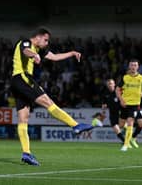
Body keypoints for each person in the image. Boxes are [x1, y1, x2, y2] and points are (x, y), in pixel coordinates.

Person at [10, 27, 96, 166]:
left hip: (16, 83)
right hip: (22, 78)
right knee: (48, 102)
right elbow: (26, 51)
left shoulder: (39, 49)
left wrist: (72, 53)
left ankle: (26, 153)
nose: (46, 43)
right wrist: (33, 55)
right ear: (38, 37)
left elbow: (54, 57)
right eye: (45, 40)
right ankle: (75, 125)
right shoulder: (26, 43)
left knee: (23, 118)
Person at [116, 59, 142, 151]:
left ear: (138, 67)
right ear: (129, 66)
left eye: (135, 65)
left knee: (130, 121)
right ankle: (132, 137)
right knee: (121, 125)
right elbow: (117, 89)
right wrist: (121, 100)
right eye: (131, 65)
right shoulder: (125, 78)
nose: (133, 67)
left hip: (135, 105)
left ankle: (126, 144)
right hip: (124, 104)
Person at [101, 79, 125, 143]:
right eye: (109, 84)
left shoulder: (119, 91)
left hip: (121, 111)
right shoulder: (105, 93)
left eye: (111, 83)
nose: (110, 85)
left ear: (114, 84)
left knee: (122, 126)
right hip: (112, 112)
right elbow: (104, 104)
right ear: (107, 85)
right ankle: (124, 141)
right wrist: (103, 111)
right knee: (114, 126)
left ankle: (129, 136)